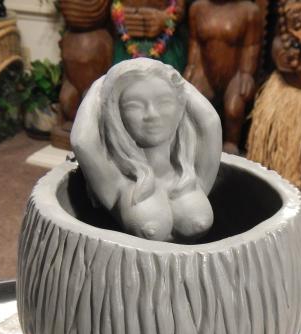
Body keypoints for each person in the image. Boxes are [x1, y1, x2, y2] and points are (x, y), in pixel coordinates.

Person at [71, 58, 222, 242]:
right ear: (117, 114)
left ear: (180, 106)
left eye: (164, 102)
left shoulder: (191, 173)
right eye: (134, 106)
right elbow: (81, 141)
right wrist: (100, 87)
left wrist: (177, 81)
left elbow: (210, 121)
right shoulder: (119, 183)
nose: (152, 114)